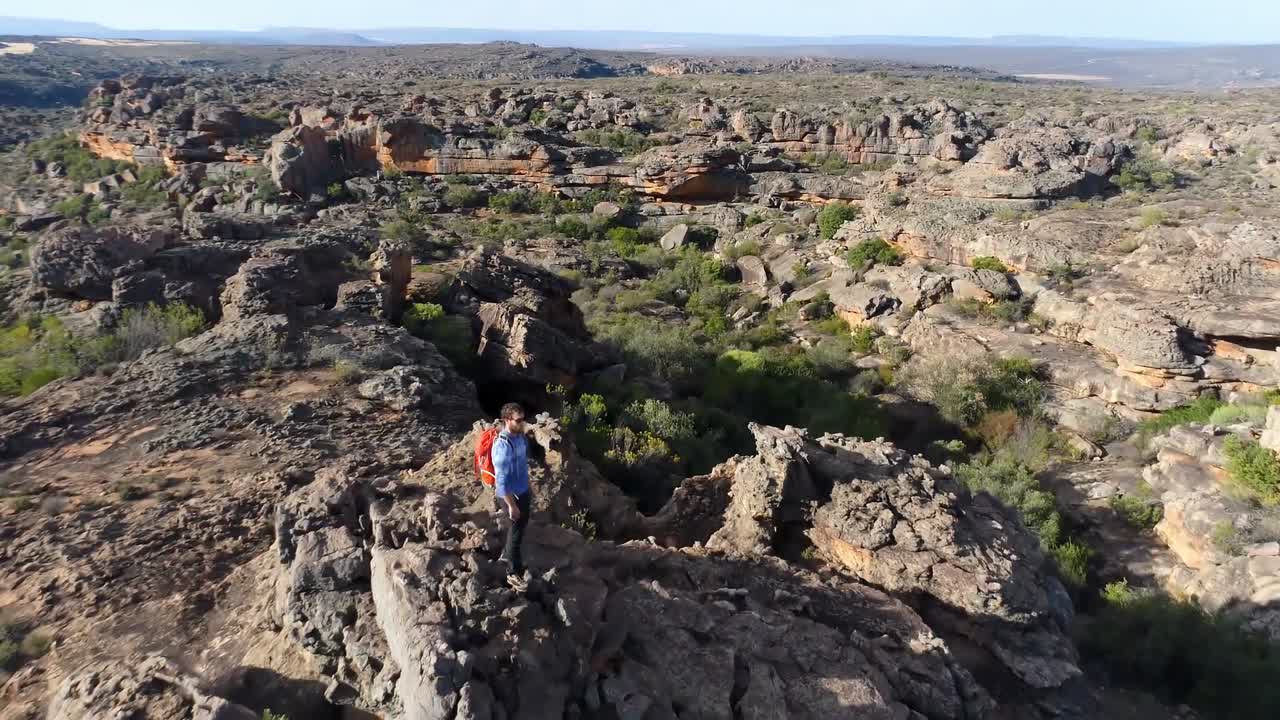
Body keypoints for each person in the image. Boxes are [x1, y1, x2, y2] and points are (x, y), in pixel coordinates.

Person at [491, 402, 532, 590]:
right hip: (511, 495)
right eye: (518, 420)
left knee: (520, 529)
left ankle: (508, 556)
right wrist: (511, 505)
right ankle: (512, 573)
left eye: (523, 419)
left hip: (522, 490)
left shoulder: (520, 437)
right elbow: (501, 481)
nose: (522, 423)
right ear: (507, 420)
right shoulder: (502, 446)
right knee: (516, 533)